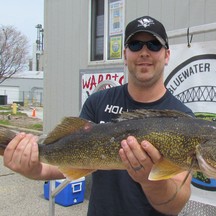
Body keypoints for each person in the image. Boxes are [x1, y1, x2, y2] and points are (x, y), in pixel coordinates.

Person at [3, 16, 193, 216]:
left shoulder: (183, 120)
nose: (144, 52)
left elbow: (175, 205)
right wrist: (36, 170)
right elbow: (71, 160)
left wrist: (148, 180)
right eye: (135, 45)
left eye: (154, 45)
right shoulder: (97, 102)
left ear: (167, 55)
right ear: (125, 54)